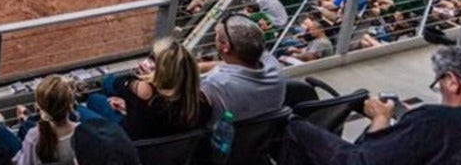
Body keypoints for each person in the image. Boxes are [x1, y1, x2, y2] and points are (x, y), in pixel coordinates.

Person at [282, 46, 461, 165]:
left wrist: (380, 119)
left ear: (452, 82)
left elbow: (361, 163)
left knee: (296, 127)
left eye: (437, 84)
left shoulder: (436, 121)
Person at [84, 38, 212, 140]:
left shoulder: (146, 92)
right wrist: (131, 106)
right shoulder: (202, 101)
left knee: (93, 98)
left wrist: (143, 79)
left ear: (161, 72)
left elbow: (117, 83)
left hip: (128, 142)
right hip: (161, 151)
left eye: (153, 60)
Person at [14, 76, 139, 165]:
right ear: (71, 103)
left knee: (24, 127)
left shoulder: (34, 136)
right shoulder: (87, 134)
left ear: (40, 107)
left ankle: (25, 119)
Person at [200, 14, 286, 122]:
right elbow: (237, 65)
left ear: (226, 46)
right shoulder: (272, 64)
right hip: (267, 133)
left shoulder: (216, 84)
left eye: (216, 35)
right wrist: (203, 67)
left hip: (232, 137)